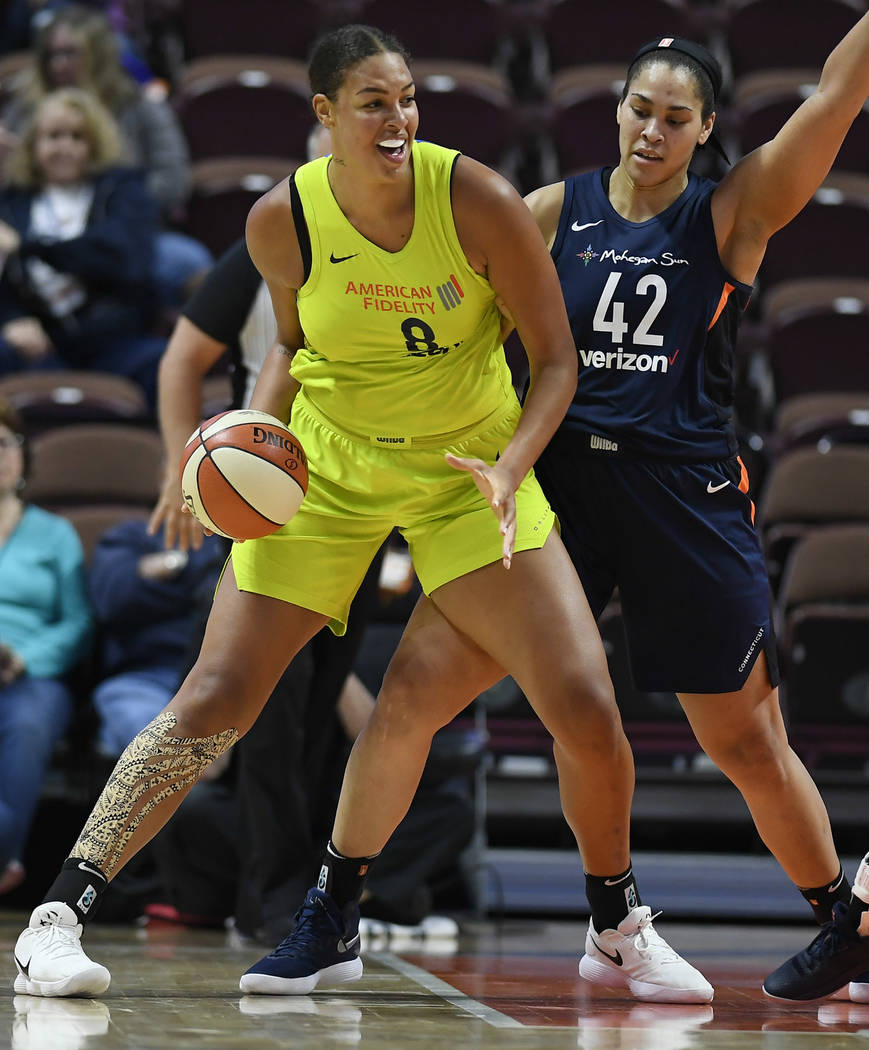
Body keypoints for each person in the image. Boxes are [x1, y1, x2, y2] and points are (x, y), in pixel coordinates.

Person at [10, 23, 711, 1004]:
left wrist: (513, 467)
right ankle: (56, 919)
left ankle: (615, 929)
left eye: (408, 99)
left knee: (585, 705)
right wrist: (243, 446)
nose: (397, 118)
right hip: (330, 473)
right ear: (325, 116)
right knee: (216, 696)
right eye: (374, 101)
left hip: (464, 472)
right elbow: (290, 348)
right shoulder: (277, 221)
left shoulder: (473, 198)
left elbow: (555, 360)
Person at [295, 18, 869, 1005]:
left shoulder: (730, 210)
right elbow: (432, 285)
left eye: (673, 117)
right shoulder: (550, 209)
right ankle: (333, 905)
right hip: (551, 489)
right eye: (638, 110)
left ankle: (840, 920)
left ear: (701, 128)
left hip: (679, 494)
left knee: (741, 742)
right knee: (412, 694)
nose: (651, 129)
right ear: (614, 112)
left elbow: (831, 99)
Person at [1, 4, 212, 306]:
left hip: (124, 229)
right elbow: (14, 184)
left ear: (97, 54)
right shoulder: (24, 109)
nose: (59, 64)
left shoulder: (140, 107)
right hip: (42, 225)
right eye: (51, 55)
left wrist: (117, 208)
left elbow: (173, 179)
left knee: (188, 260)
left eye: (69, 53)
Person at [0, 87, 165, 406]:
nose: (65, 147)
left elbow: (124, 260)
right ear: (34, 145)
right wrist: (11, 320)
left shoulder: (123, 190)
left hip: (116, 343)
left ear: (95, 144)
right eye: (53, 136)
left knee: (161, 361)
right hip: (45, 347)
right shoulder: (12, 204)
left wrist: (30, 246)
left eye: (77, 137)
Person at [0, 398, 92, 897]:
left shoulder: (54, 534)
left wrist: (23, 659)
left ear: (22, 455)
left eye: (2, 443)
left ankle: (3, 857)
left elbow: (78, 624)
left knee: (28, 725)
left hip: (32, 674)